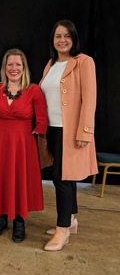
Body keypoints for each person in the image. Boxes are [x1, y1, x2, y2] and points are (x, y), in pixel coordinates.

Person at [39, 19, 97, 251]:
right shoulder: (50, 64)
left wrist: (85, 130)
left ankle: (62, 230)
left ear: (73, 39)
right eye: (57, 36)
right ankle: (71, 218)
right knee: (66, 176)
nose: (62, 40)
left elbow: (89, 98)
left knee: (61, 179)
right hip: (51, 129)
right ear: (52, 41)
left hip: (69, 130)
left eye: (67, 36)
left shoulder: (84, 62)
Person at [0, 48, 48, 242]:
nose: (14, 68)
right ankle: (2, 217)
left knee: (20, 179)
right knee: (2, 178)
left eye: (18, 64)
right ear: (5, 67)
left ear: (24, 67)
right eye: (10, 64)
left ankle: (20, 221)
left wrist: (35, 137)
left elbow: (42, 119)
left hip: (23, 144)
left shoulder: (34, 90)